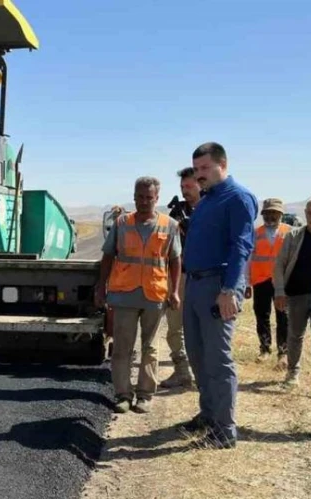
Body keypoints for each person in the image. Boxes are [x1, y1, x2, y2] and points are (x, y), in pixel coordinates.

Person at [178, 142, 258, 448]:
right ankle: (209, 414)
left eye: (204, 169)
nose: (199, 175)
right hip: (195, 284)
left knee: (218, 358)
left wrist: (229, 290)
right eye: (196, 169)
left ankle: (225, 430)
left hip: (217, 286)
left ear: (222, 166)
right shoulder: (207, 199)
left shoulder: (238, 198)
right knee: (197, 353)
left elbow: (241, 247)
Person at [96, 177, 182, 415]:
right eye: (140, 197)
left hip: (154, 295)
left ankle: (145, 395)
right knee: (122, 347)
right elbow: (107, 257)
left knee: (150, 348)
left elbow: (175, 260)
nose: (144, 201)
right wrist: (100, 288)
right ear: (134, 197)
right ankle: (123, 395)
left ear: (157, 198)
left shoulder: (170, 225)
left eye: (149, 197)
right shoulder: (122, 223)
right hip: (124, 294)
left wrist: (174, 291)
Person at [273, 198, 311, 398]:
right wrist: (279, 291)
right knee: (295, 336)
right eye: (310, 213)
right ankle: (292, 375)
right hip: (296, 295)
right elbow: (279, 264)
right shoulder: (294, 236)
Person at [159, 167, 202, 389]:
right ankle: (182, 371)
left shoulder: (211, 209)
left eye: (189, 186)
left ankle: (203, 374)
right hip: (180, 276)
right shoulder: (176, 214)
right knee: (175, 327)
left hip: (205, 278)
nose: (185, 190)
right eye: (182, 187)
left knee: (203, 328)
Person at [246, 198, 292, 366]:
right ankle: (265, 349)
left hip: (283, 282)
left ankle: (283, 352)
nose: (271, 216)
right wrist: (247, 283)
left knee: (283, 316)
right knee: (262, 315)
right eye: (268, 213)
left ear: (281, 214)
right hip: (260, 281)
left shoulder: (290, 232)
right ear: (263, 214)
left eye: (275, 213)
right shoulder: (255, 233)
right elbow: (248, 260)